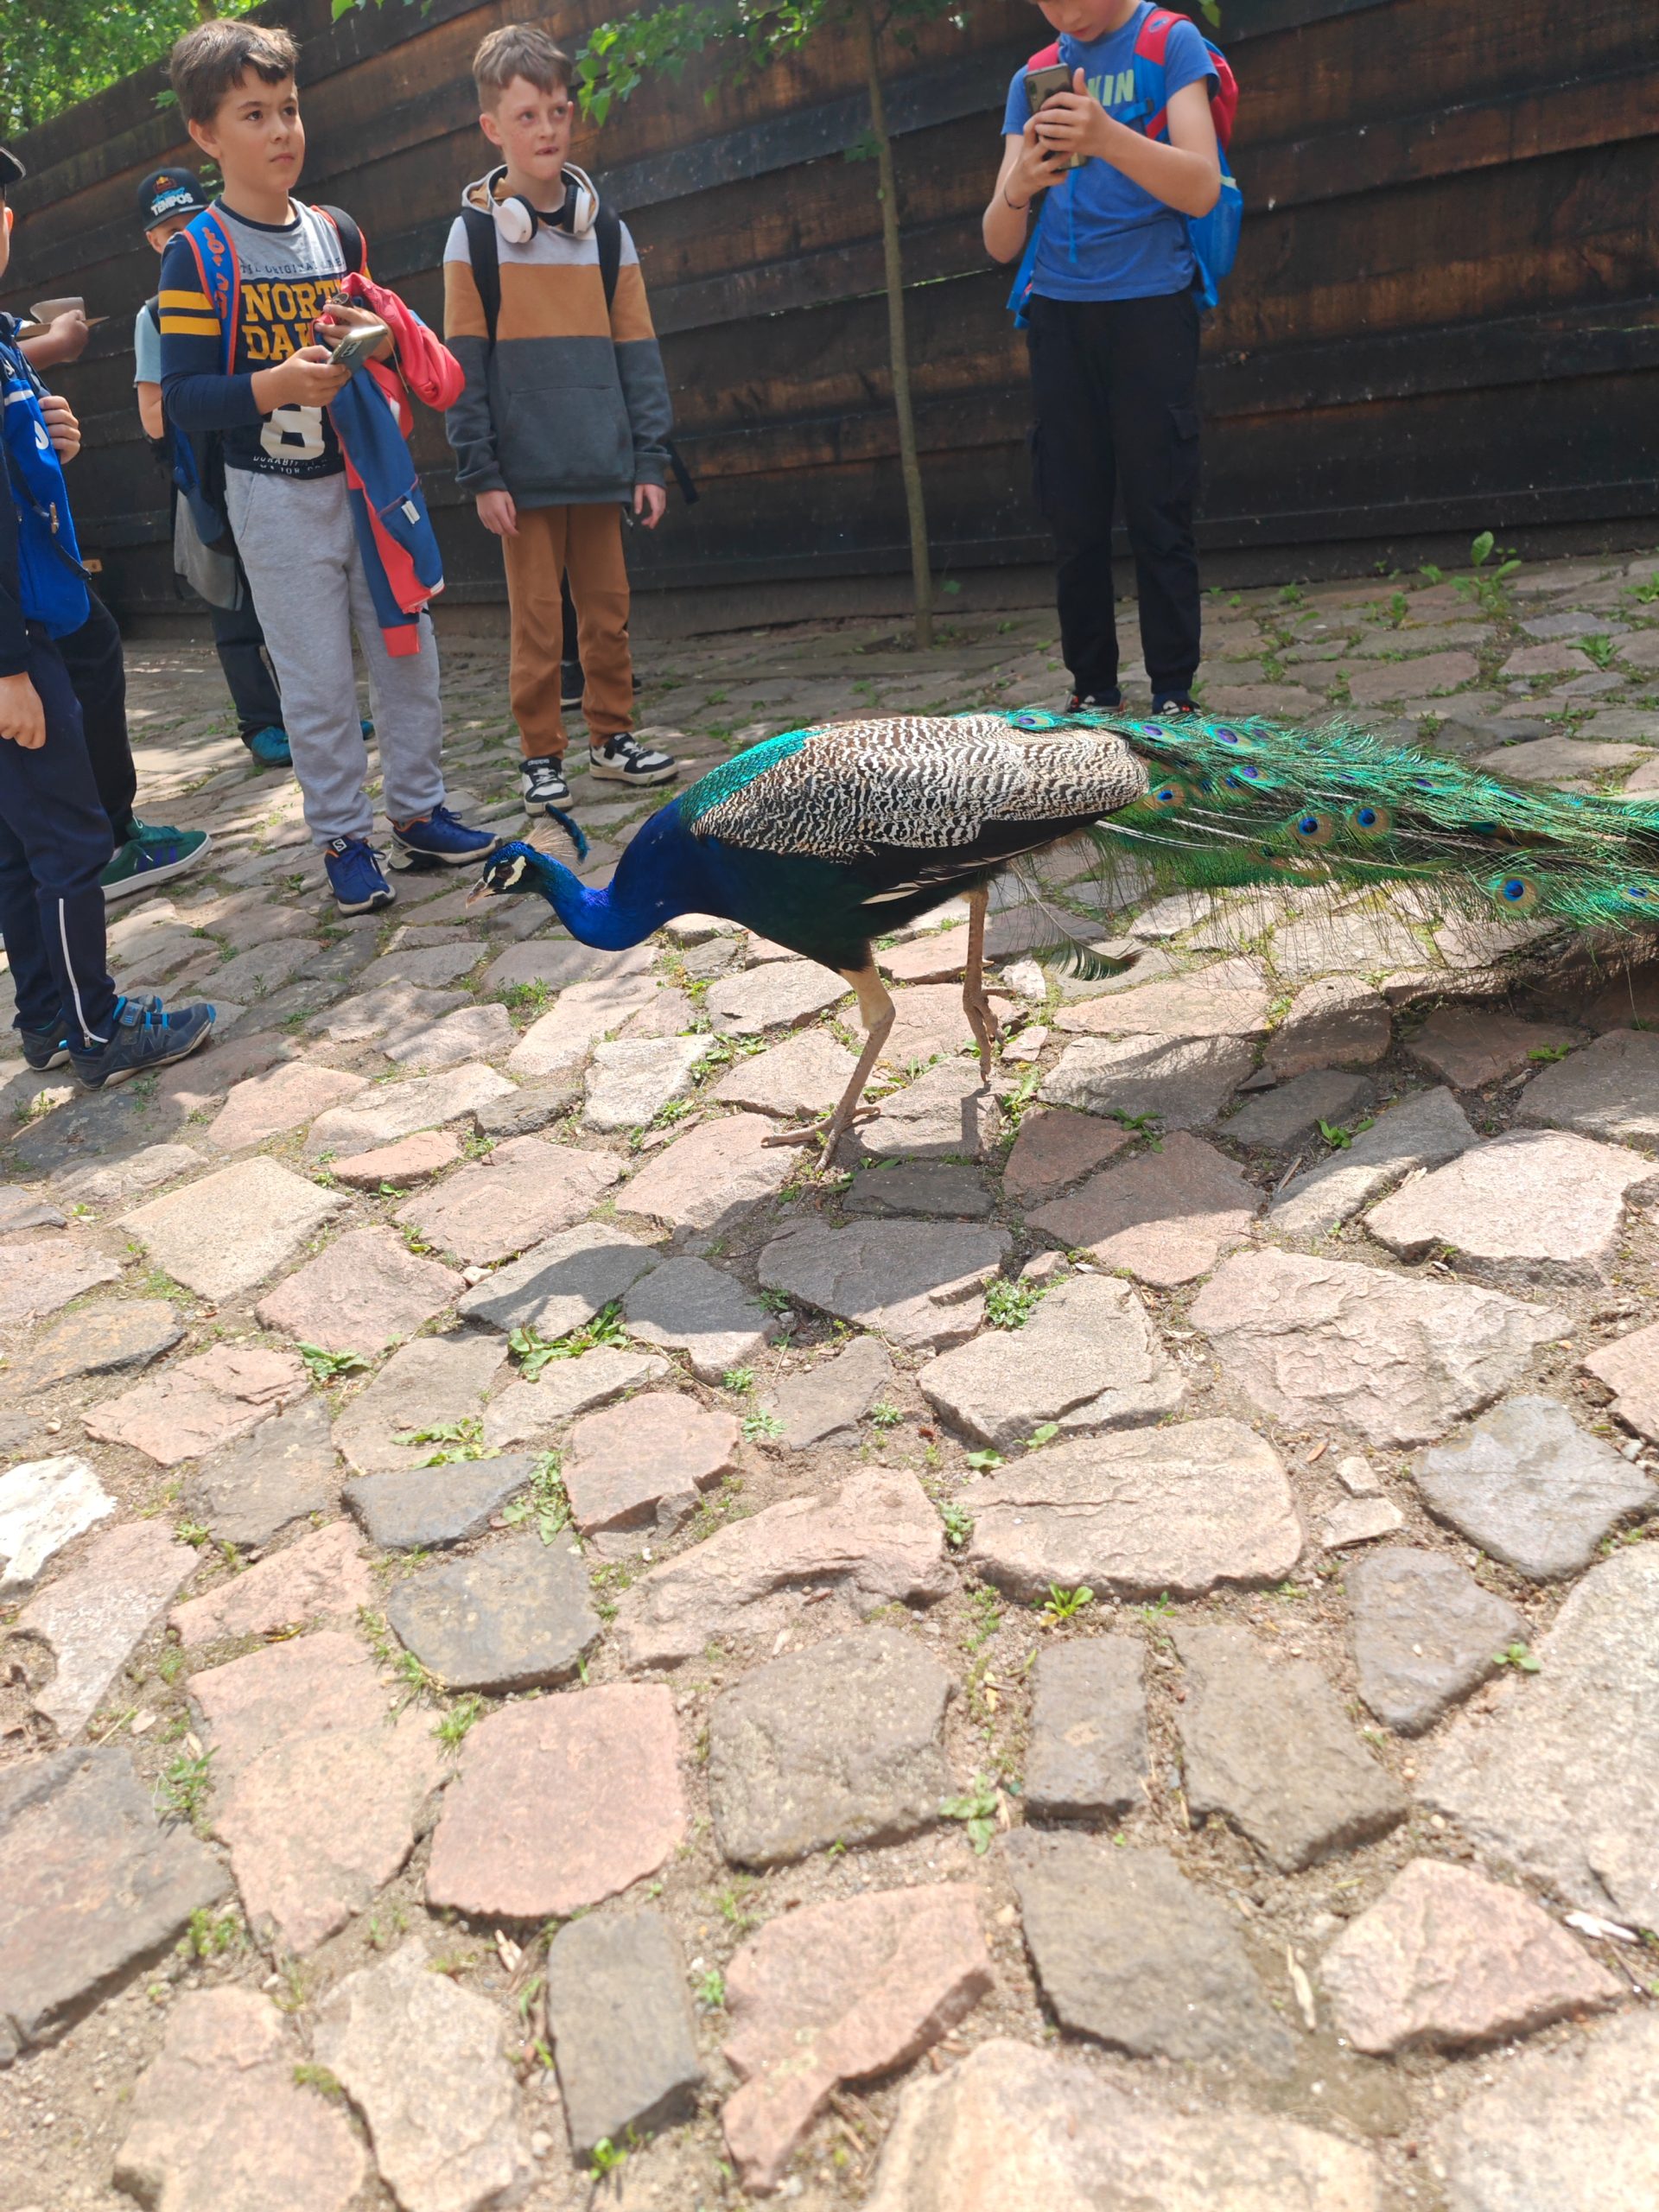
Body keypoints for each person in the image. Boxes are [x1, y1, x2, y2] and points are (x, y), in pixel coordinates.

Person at [158, 18, 499, 915]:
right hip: (272, 498)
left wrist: (379, 340)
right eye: (254, 115)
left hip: (368, 487)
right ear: (205, 135)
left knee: (409, 650)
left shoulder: (338, 233)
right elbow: (184, 398)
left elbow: (372, 340)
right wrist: (272, 384)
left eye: (289, 108)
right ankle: (344, 837)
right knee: (314, 678)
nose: (281, 131)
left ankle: (419, 811)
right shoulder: (196, 256)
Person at [0, 147, 214, 1084]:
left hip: (44, 613)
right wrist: (8, 665)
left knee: (21, 845)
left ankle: (49, 1018)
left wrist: (53, 438)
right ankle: (95, 1029)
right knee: (70, 839)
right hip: (16, 638)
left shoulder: (2, 341)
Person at [443, 22, 677, 815]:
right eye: (526, 115)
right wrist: (481, 472)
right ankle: (541, 755)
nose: (546, 129)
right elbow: (462, 366)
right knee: (538, 625)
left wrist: (649, 459)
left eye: (557, 112)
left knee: (608, 616)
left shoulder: (607, 233)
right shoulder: (474, 237)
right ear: (493, 127)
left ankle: (613, 738)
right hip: (524, 475)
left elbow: (639, 354)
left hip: (603, 464)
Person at [983, 0, 1222, 716]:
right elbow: (998, 241)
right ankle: (1092, 691)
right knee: (1074, 513)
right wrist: (1021, 185)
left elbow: (1202, 187)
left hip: (1152, 305)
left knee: (1159, 504)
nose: (1066, 11)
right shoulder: (1034, 76)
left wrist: (1106, 136)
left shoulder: (1170, 42)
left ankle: (1174, 694)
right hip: (1059, 314)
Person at [11, 248, 214, 899]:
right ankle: (100, 843)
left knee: (90, 647)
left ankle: (93, 837)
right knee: (78, 661)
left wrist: (48, 435)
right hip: (23, 576)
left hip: (42, 555)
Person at [133, 166, 290, 771]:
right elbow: (154, 417)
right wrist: (215, 397)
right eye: (167, 228)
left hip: (274, 461)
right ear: (152, 240)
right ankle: (261, 724)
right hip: (205, 481)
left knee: (291, 597)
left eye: (191, 221)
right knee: (233, 605)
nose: (180, 235)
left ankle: (312, 711)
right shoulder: (154, 316)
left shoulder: (246, 287)